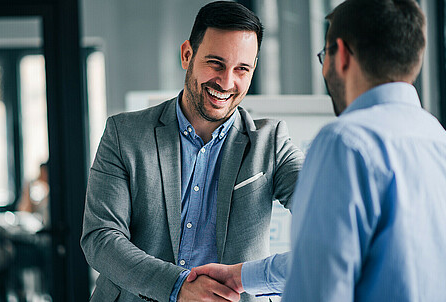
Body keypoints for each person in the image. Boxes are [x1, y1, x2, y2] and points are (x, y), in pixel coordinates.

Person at [188, 0, 446, 301]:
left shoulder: (345, 142)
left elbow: (319, 285)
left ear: (341, 54)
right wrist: (242, 276)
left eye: (324, 56)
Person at [80, 1, 304, 301]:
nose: (226, 82)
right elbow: (101, 238)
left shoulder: (271, 142)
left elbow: (330, 215)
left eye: (242, 69)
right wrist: (178, 286)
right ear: (188, 54)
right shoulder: (125, 134)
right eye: (216, 63)